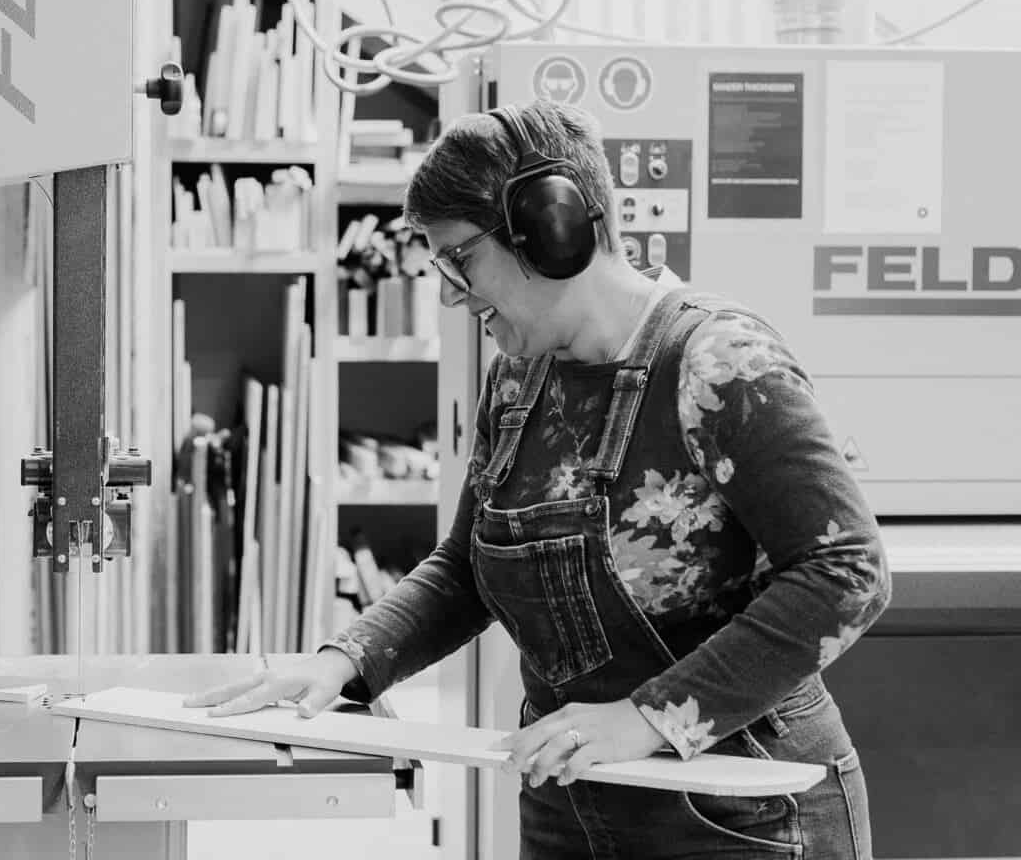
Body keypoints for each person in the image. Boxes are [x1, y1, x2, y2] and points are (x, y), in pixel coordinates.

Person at [185, 98, 891, 859]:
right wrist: (344, 663)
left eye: (460, 258)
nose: (451, 292)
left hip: (739, 809)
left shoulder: (717, 363)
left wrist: (649, 717)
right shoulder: (518, 380)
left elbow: (846, 571)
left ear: (552, 228)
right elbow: (465, 568)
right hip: (574, 799)